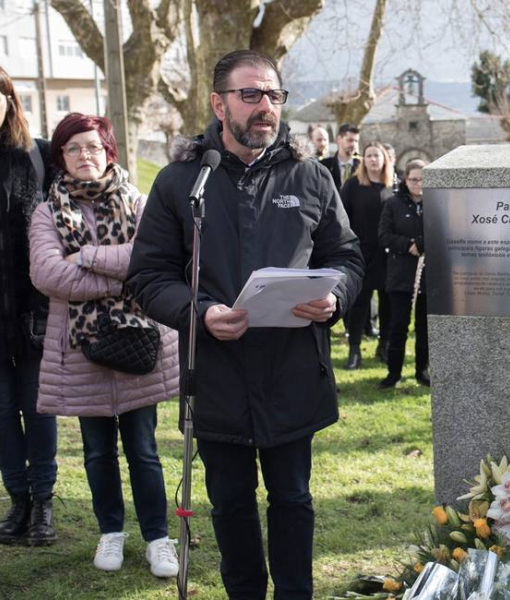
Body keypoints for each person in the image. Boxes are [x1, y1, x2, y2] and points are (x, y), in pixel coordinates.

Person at [126, 50, 363, 599]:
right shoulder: (183, 181)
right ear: (219, 104)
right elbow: (148, 275)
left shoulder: (310, 176)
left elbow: (347, 257)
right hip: (216, 375)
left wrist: (335, 297)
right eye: (250, 94)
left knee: (293, 499)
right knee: (230, 504)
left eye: (274, 95)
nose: (265, 107)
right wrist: (200, 313)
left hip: (293, 372)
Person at [28, 113, 180, 577]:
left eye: (93, 146)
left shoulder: (137, 201)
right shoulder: (46, 212)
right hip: (82, 351)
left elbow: (150, 257)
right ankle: (111, 531)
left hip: (138, 345)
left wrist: (88, 257)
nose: (85, 155)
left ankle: (157, 538)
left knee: (144, 449)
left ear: (108, 151)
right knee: (97, 452)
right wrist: (118, 279)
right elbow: (48, 274)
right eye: (73, 148)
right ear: (61, 157)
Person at [0, 66, 58, 546]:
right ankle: (17, 499)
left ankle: (43, 503)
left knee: (38, 409)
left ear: (8, 99)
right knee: (1, 412)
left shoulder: (38, 156)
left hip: (35, 309)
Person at [340, 142, 393, 369]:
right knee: (359, 303)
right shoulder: (353, 185)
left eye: (377, 156)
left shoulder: (392, 185)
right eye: (369, 155)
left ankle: (384, 346)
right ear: (364, 159)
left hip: (388, 254)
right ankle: (354, 350)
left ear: (384, 159)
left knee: (387, 303)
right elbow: (341, 218)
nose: (373, 159)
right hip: (361, 252)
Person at [378, 159, 429, 388]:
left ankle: (422, 371)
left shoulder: (436, 203)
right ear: (405, 180)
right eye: (414, 179)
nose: (418, 184)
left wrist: (422, 243)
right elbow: (383, 235)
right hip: (400, 275)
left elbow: (443, 230)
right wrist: (408, 245)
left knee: (424, 327)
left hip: (428, 276)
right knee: (398, 326)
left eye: (422, 179)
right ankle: (394, 373)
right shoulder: (392, 204)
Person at [321, 123, 360, 190]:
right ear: (338, 139)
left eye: (356, 141)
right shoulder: (324, 166)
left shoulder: (362, 166)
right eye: (350, 140)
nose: (354, 144)